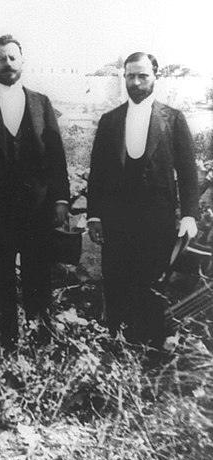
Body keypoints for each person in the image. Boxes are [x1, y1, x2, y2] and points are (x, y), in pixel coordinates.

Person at [88, 52, 199, 348]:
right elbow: (97, 172)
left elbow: (188, 172)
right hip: (117, 222)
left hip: (157, 223)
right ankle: (115, 349)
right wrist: (95, 216)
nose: (136, 83)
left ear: (155, 78)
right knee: (116, 284)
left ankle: (150, 352)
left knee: (152, 287)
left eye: (142, 76)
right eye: (130, 76)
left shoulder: (173, 119)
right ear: (123, 78)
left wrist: (189, 215)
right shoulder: (110, 121)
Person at [0, 35, 70, 353]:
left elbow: (56, 154)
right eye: (1, 58)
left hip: (38, 209)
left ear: (22, 62)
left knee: (38, 276)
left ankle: (41, 342)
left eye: (13, 57)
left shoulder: (41, 104)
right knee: (1, 278)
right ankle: (7, 347)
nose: (8, 63)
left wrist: (60, 198)